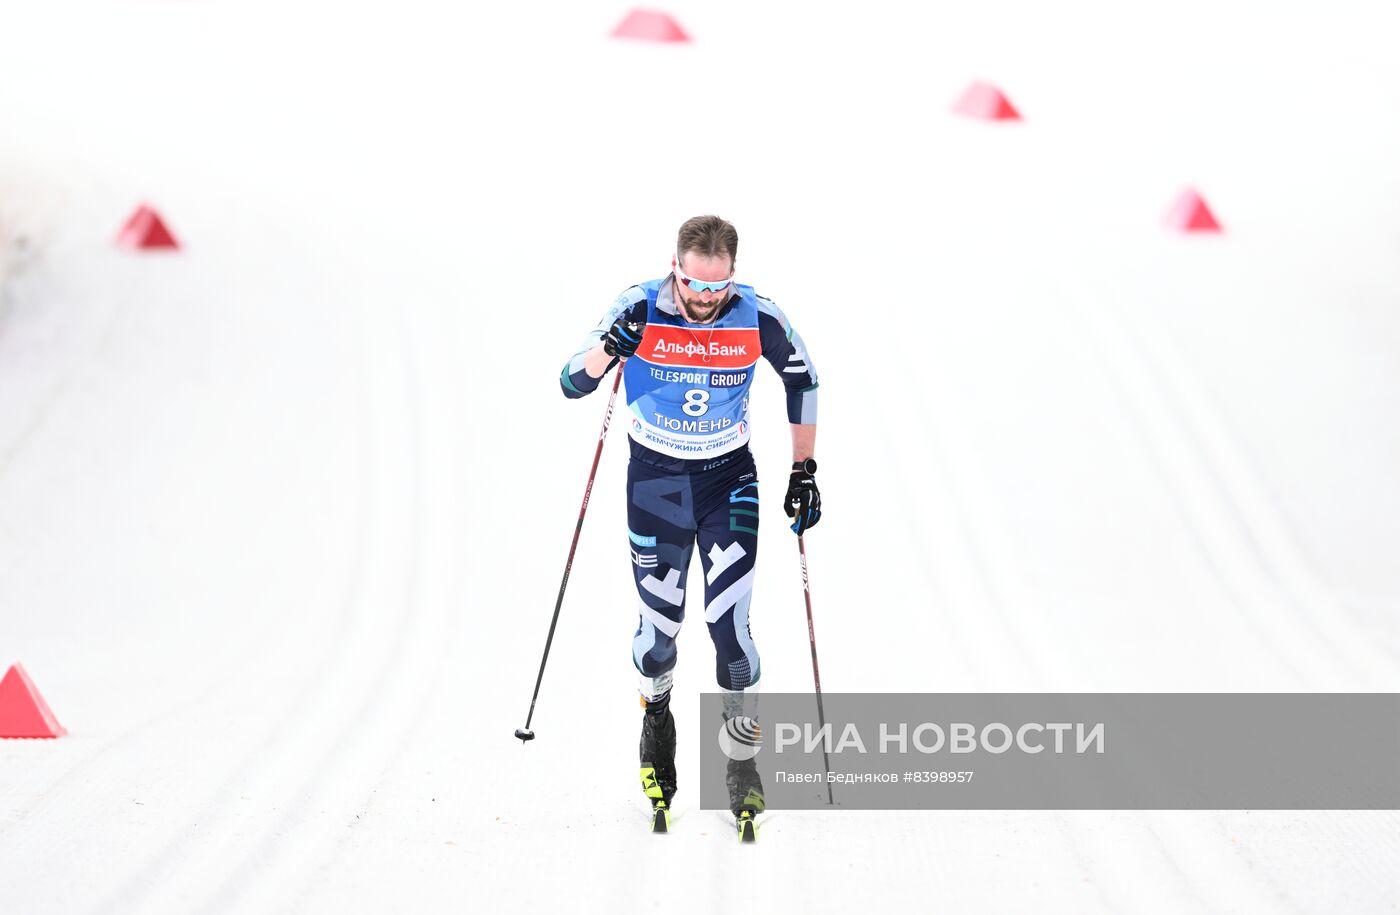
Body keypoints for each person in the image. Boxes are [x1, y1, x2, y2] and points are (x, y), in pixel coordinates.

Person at [559, 215, 821, 831]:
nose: (705, 300)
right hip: (655, 485)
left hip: (728, 481)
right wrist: (610, 348)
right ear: (675, 268)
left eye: (718, 287)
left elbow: (802, 380)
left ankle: (742, 762)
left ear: (733, 274)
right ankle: (657, 718)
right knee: (659, 635)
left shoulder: (757, 316)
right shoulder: (639, 306)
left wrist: (804, 470)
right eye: (694, 285)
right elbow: (571, 381)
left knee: (730, 632)